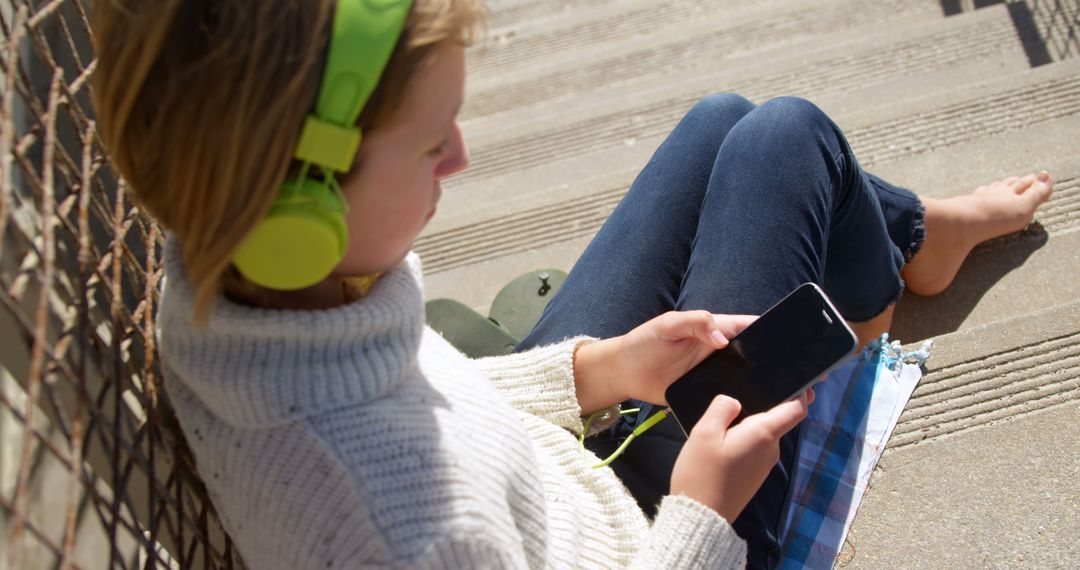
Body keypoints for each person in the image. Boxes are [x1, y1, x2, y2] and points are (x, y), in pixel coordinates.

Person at [90, 0, 1053, 568]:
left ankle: (908, 233)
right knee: (784, 134)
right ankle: (911, 239)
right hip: (653, 535)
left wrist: (593, 371)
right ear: (302, 205)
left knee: (726, 118)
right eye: (430, 143)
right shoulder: (399, 534)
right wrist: (705, 514)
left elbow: (415, 401)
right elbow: (401, 471)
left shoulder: (256, 283)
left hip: (547, 469)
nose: (460, 158)